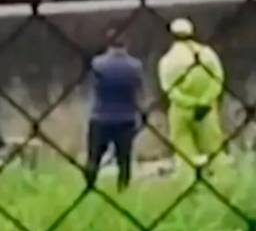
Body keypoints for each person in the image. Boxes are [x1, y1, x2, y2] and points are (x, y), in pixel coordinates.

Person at [158, 18, 225, 169]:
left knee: (184, 151)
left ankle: (188, 179)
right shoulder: (207, 54)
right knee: (213, 149)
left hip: (181, 110)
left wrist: (189, 103)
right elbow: (218, 79)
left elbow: (169, 89)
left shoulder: (168, 60)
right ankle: (219, 178)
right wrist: (204, 101)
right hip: (207, 109)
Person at [85, 26, 144, 191]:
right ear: (127, 44)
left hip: (100, 116)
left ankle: (90, 186)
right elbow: (139, 91)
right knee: (124, 160)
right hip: (126, 118)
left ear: (108, 43)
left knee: (94, 157)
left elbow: (93, 85)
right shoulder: (135, 66)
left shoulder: (97, 64)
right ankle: (123, 189)